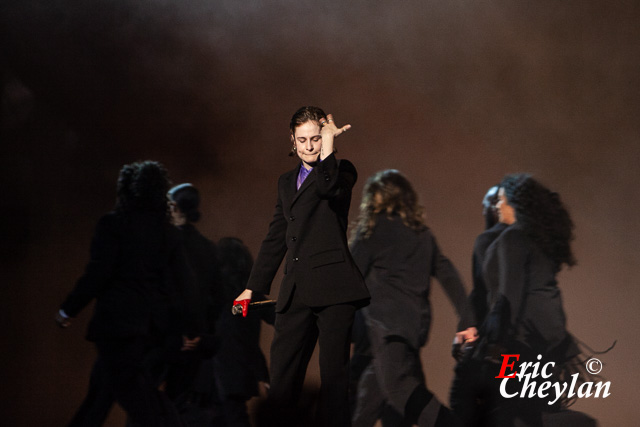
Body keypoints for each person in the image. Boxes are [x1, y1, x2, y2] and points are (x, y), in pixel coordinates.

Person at [233, 106, 370, 426]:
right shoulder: (285, 182)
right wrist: (252, 287)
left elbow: (326, 188)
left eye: (315, 139)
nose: (309, 146)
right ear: (292, 142)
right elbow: (277, 233)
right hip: (295, 290)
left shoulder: (341, 170)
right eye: (302, 140)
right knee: (282, 379)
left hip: (335, 289)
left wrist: (330, 147)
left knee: (334, 381)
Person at [56, 161, 201, 426]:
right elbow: (186, 284)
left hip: (116, 327)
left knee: (132, 396)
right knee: (106, 392)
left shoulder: (113, 225)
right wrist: (190, 327)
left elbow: (98, 273)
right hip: (151, 330)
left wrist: (68, 309)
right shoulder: (168, 234)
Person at [451, 173, 586, 427]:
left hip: (519, 345)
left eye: (500, 200)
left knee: (475, 406)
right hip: (547, 344)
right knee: (527, 412)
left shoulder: (510, 239)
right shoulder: (536, 240)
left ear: (515, 204)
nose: (496, 206)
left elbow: (507, 298)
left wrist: (494, 344)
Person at [349, 169, 472, 427]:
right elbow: (448, 274)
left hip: (386, 329)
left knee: (400, 391)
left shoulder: (373, 231)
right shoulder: (422, 235)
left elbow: (349, 280)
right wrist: (467, 319)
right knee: (369, 400)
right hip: (411, 333)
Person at [213, 237, 275, 427]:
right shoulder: (250, 298)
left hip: (210, 375)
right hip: (238, 375)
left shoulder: (212, 294)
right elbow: (280, 318)